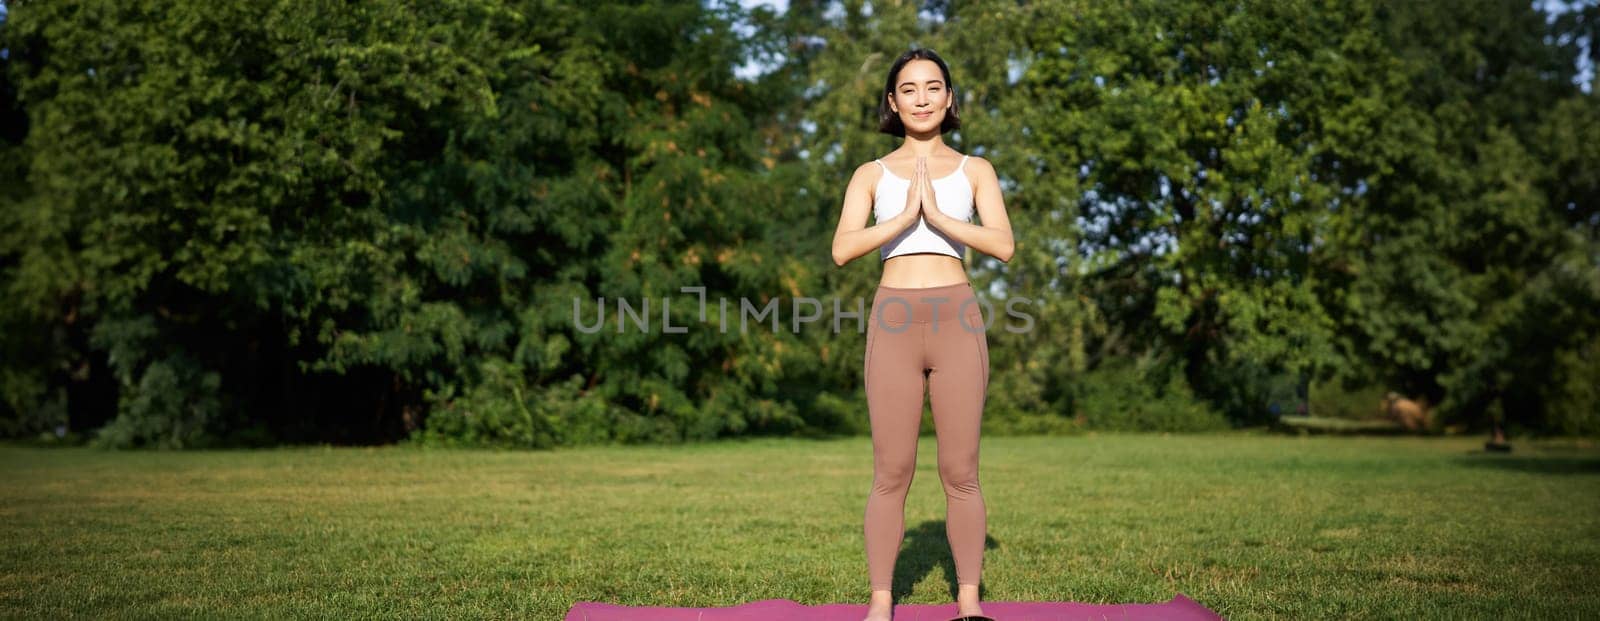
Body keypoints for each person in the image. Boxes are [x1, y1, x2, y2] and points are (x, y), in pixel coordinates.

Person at [830, 48, 1014, 621]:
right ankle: (880, 604)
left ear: (950, 97)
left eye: (933, 88)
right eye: (908, 89)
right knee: (891, 472)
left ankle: (969, 604)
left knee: (961, 472)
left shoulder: (976, 169)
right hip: (894, 320)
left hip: (956, 318)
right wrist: (904, 217)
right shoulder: (871, 174)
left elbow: (1003, 245)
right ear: (892, 102)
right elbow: (841, 250)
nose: (922, 98)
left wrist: (939, 217)